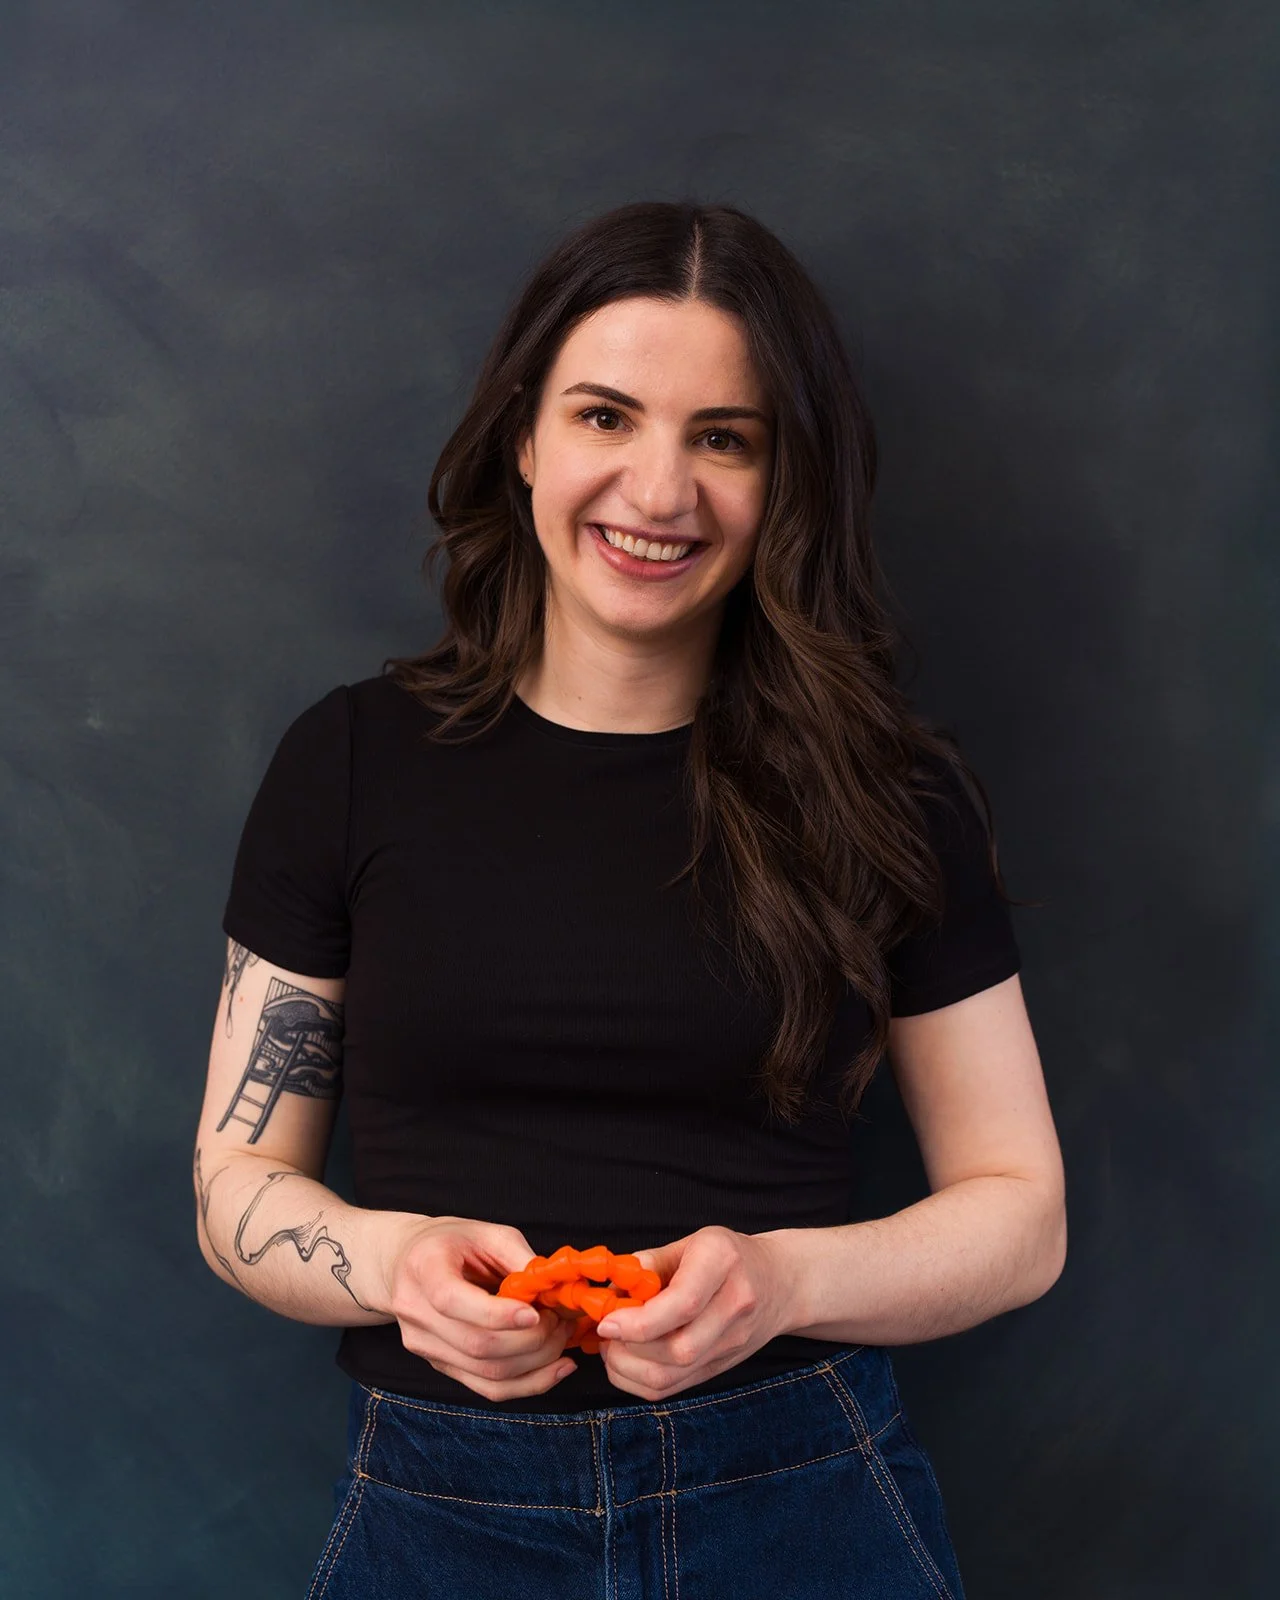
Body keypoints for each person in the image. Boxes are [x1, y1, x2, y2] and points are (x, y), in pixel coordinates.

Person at [193, 199, 1066, 1599]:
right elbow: (235, 1181)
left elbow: (1022, 1214)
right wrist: (389, 1258)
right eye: (607, 417)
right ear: (525, 435)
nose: (659, 493)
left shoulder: (887, 792)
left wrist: (783, 1283)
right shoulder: (348, 763)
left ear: (784, 481)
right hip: (440, 1510)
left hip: (800, 1494)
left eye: (725, 438)